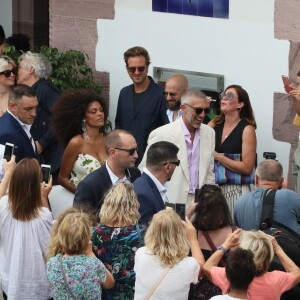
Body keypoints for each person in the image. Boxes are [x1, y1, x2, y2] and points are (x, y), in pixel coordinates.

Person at [139, 89, 215, 210]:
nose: (202, 115)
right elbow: (145, 170)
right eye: (198, 110)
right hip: (170, 202)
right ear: (183, 108)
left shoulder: (209, 133)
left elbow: (209, 173)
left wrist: (208, 201)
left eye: (206, 110)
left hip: (199, 204)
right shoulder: (162, 133)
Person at [0, 158, 53, 300]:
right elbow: (51, 247)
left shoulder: (3, 206)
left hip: (10, 283)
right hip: (38, 288)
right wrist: (44, 197)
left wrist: (8, 172)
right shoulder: (43, 216)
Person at [203, 230, 300, 300]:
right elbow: (296, 273)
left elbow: (207, 267)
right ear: (268, 261)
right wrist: (277, 248)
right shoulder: (276, 280)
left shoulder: (229, 276)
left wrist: (225, 245)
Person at [115, 46, 169, 165]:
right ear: (127, 69)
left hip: (150, 162)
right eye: (132, 69)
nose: (137, 72)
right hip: (124, 162)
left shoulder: (161, 94)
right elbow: (119, 125)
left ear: (147, 67)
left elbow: (168, 129)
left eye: (141, 68)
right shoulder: (124, 93)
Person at [208, 84, 257, 217]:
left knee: (234, 232)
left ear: (240, 104)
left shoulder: (247, 129)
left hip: (236, 190)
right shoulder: (214, 124)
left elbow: (247, 167)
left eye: (229, 96)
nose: (224, 98)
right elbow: (199, 144)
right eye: (223, 95)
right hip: (214, 190)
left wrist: (218, 157)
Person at [92, 182, 146, 299]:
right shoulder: (142, 233)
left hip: (105, 294)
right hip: (134, 294)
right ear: (133, 204)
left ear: (108, 203)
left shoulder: (95, 233)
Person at [134, 209, 204, 299]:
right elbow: (201, 268)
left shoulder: (141, 254)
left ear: (151, 231)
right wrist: (193, 239)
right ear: (180, 233)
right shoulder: (188, 264)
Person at [47, 210, 114, 300]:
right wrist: (91, 254)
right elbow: (110, 284)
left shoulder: (52, 263)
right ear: (87, 239)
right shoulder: (93, 264)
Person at [17, 51, 62, 184]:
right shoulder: (35, 90)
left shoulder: (44, 89)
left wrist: (43, 143)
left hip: (52, 158)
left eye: (19, 67)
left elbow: (62, 118)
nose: (16, 72)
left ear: (31, 70)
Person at [51, 88, 107, 192]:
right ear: (83, 117)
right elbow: (62, 178)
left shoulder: (107, 140)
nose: (100, 114)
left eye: (101, 110)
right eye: (93, 112)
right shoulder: (76, 142)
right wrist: (81, 194)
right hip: (83, 202)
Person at [73, 129, 141, 213]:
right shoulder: (89, 185)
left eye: (136, 150)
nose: (136, 155)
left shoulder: (135, 174)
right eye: (131, 151)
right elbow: (81, 222)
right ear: (113, 152)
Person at [188, 184, 236, 300]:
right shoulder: (234, 234)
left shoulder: (191, 231)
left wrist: (187, 214)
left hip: (193, 292)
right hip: (222, 292)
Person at [234, 159, 300, 234]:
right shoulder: (289, 197)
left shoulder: (240, 202)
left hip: (251, 245)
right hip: (283, 245)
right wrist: (285, 192)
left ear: (256, 179)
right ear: (282, 181)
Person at [134, 141, 180, 225]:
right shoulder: (143, 194)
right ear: (168, 167)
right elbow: (146, 233)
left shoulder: (154, 185)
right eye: (177, 163)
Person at [0, 84, 38, 162]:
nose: (34, 114)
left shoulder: (21, 122)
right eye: (28, 109)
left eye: (36, 107)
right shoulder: (7, 134)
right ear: (12, 106)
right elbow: (8, 171)